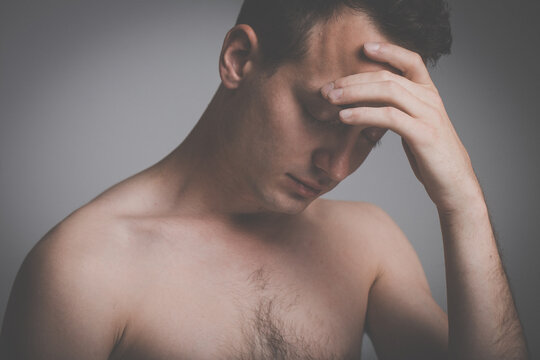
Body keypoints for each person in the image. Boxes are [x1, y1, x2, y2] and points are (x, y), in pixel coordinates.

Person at [0, 0, 529, 359]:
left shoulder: (367, 244)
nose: (338, 169)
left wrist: (463, 204)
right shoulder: (84, 271)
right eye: (322, 116)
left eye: (370, 137)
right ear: (239, 59)